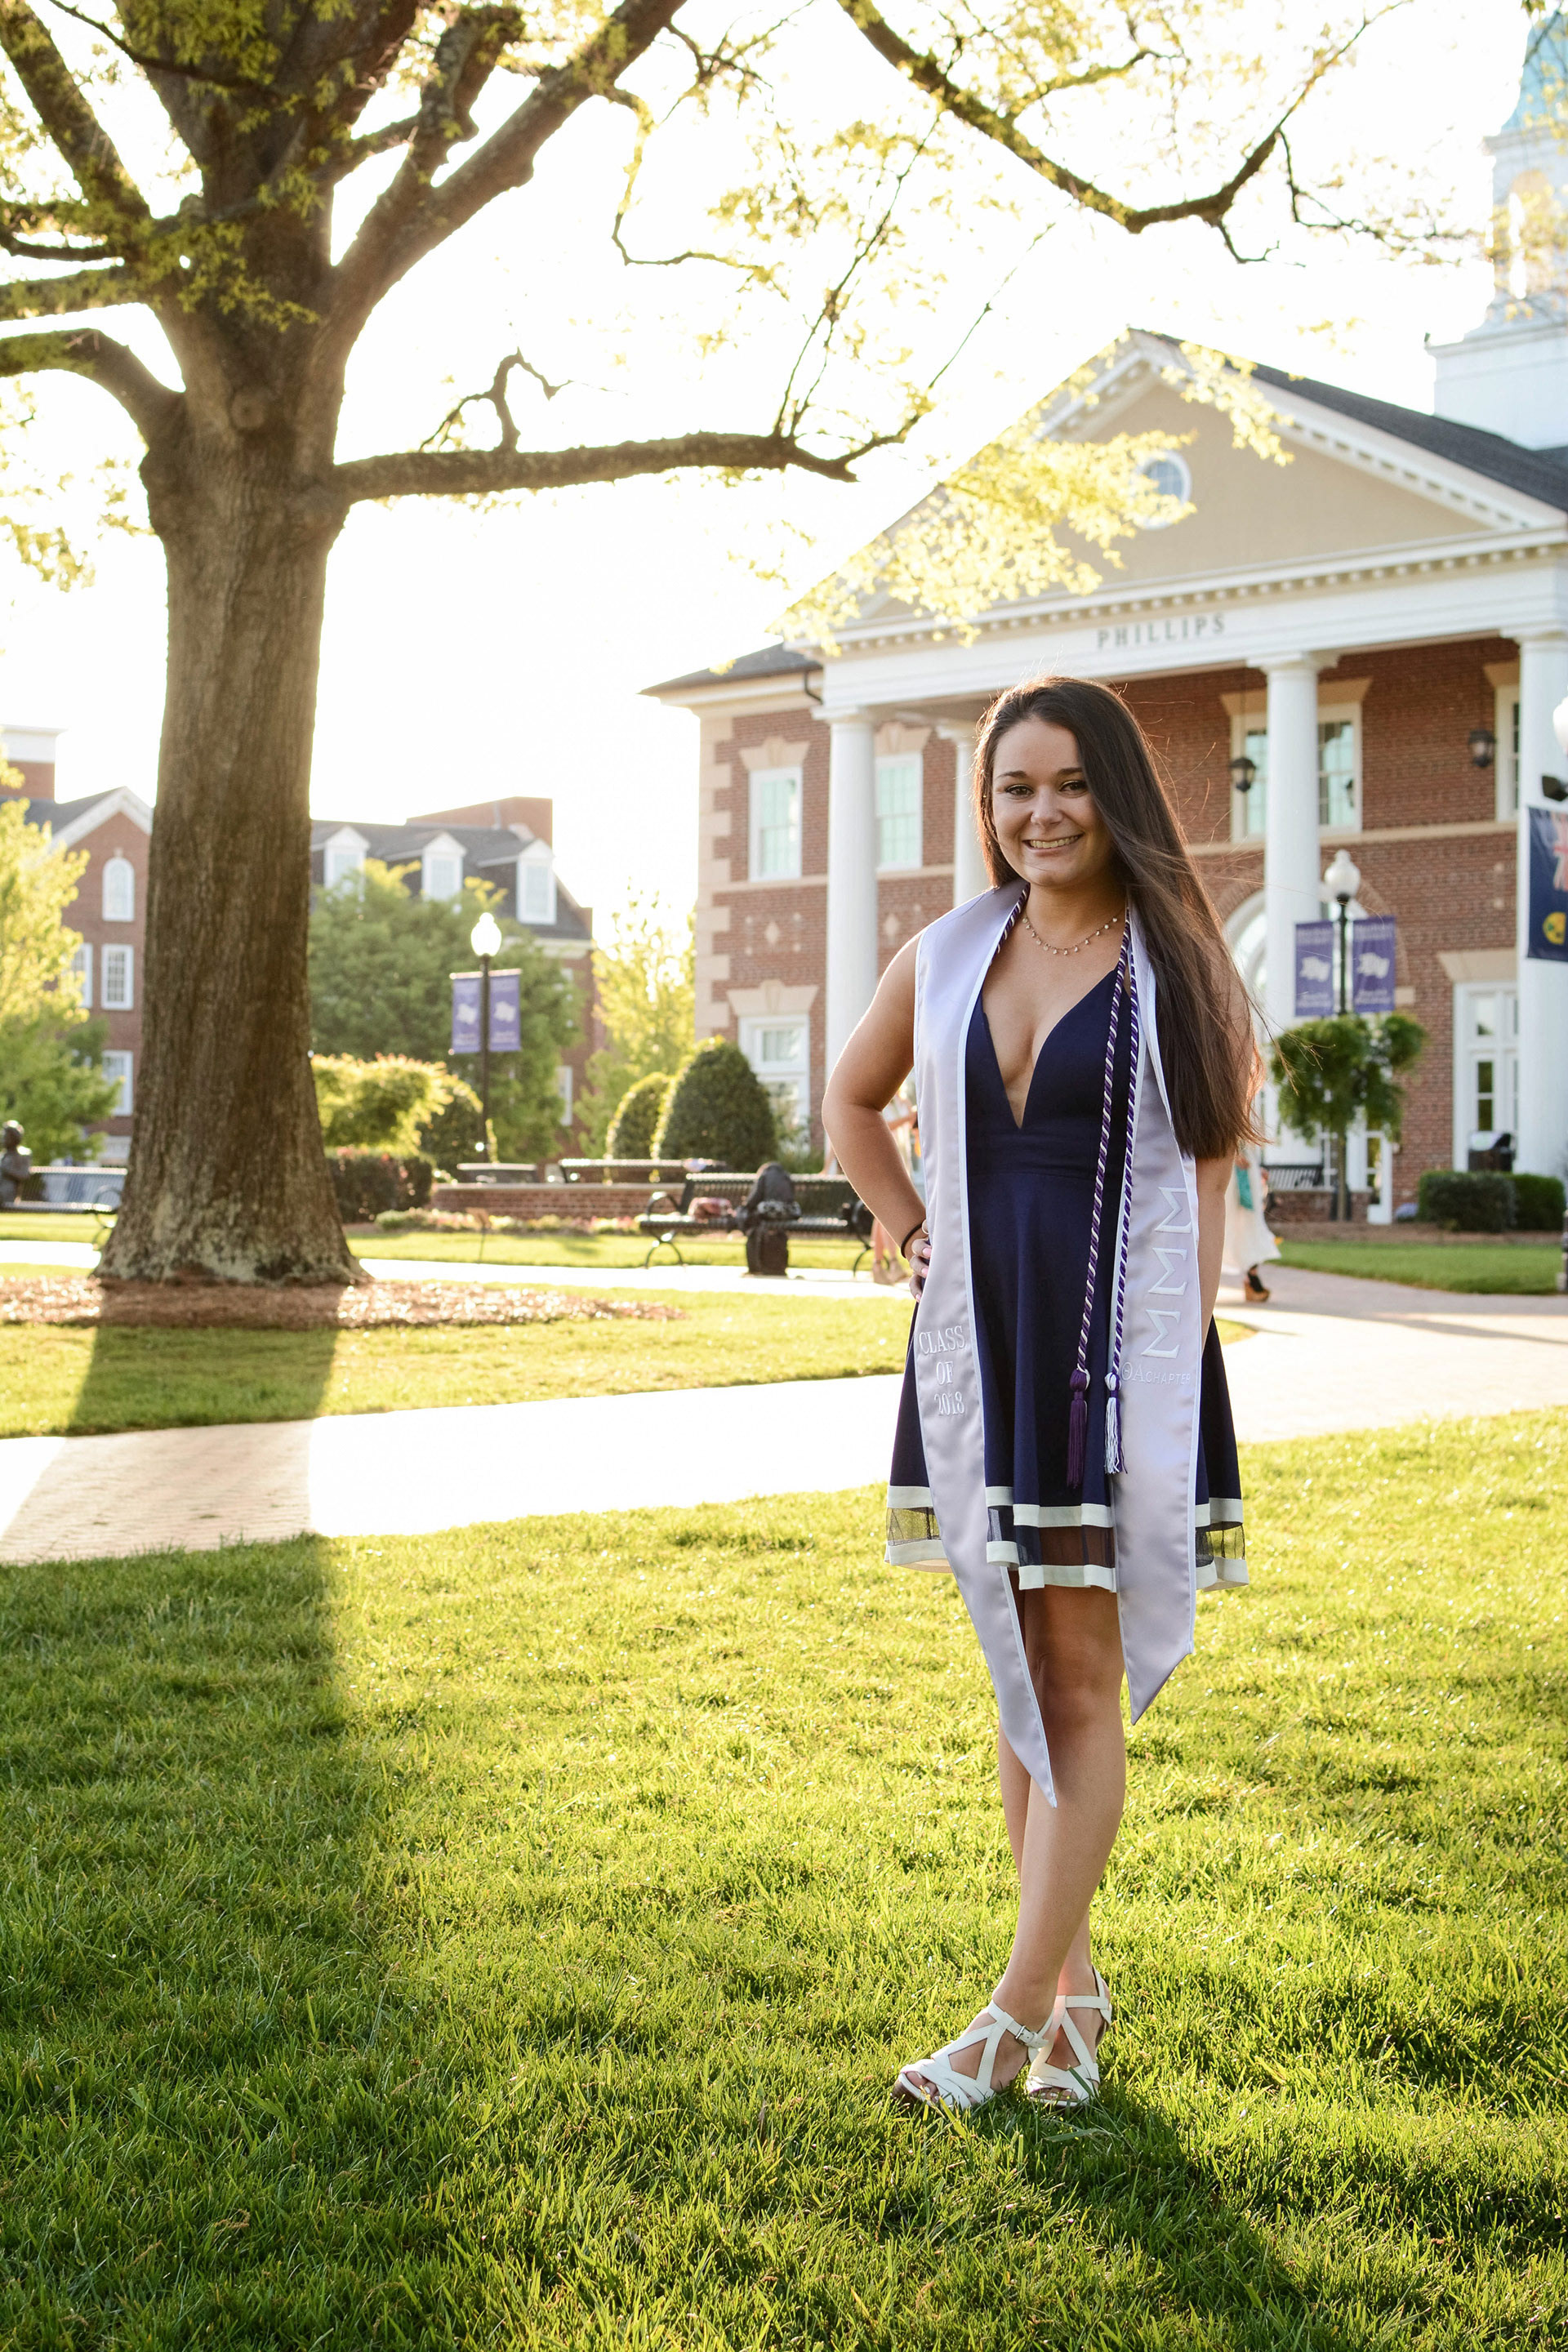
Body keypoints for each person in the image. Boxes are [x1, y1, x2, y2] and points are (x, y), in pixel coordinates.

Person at [822, 675, 1254, 2113]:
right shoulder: (949, 952)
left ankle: (1010, 2022)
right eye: (1016, 788)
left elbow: (1204, 1197)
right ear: (987, 805)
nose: (1042, 812)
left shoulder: (1175, 966)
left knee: (1075, 1680)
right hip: (981, 1346)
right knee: (1021, 1680)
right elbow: (850, 1101)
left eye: (1070, 784)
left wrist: (1155, 1395)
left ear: (1115, 792)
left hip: (1104, 1364)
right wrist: (907, 1224)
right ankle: (1072, 2002)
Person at [1224, 1140, 1280, 1303]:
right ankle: (1252, 1279)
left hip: (1246, 1172)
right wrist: (1235, 1155)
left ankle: (1252, 1277)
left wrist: (1256, 1170)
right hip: (1234, 1175)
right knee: (1234, 1226)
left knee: (1250, 1228)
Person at [0, 1120, 32, 1208]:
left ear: (15, 1138)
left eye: (6, 1137)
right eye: (2, 1137)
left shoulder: (23, 1155)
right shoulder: (2, 1156)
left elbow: (25, 1174)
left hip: (10, 1193)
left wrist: (7, 1170)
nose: (3, 1140)